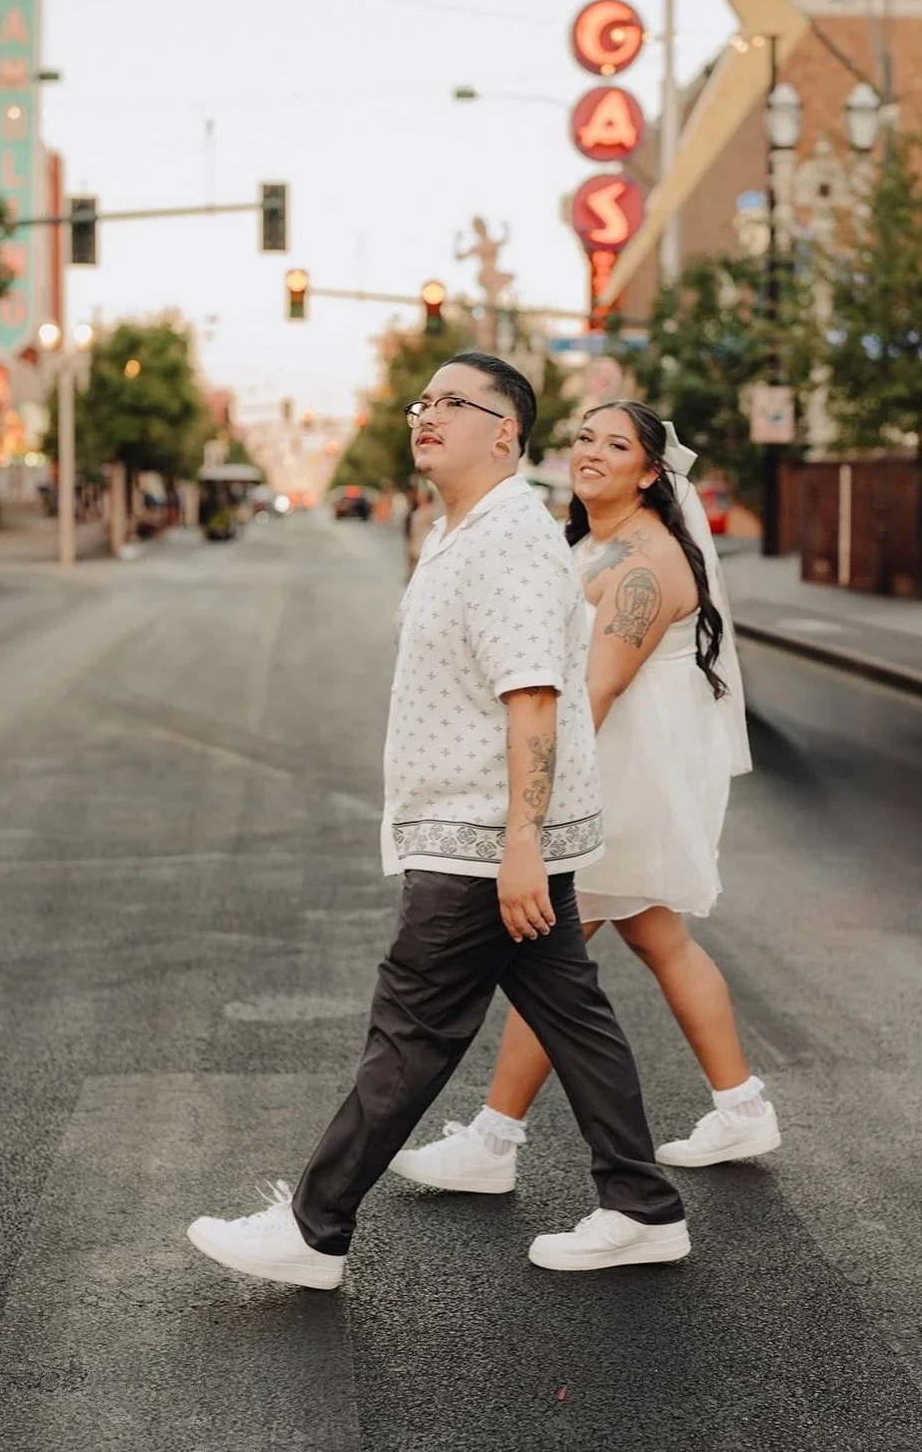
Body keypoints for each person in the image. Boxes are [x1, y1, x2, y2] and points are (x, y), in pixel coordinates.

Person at [186, 354, 687, 1290]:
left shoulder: (506, 540)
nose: (428, 415)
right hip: (482, 829)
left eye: (454, 403)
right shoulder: (463, 529)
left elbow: (533, 697)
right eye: (425, 402)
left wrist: (521, 844)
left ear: (507, 431)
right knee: (572, 1014)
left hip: (482, 836)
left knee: (413, 1027)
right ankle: (641, 1205)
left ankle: (314, 1227)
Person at [391, 400, 778, 1196]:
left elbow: (592, 694)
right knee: (654, 937)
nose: (592, 453)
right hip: (613, 765)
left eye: (616, 445)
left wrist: (523, 816)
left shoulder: (642, 562)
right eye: (583, 439)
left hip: (620, 770)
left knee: (551, 949)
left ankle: (496, 1142)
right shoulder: (588, 542)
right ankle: (741, 1107)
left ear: (648, 472)